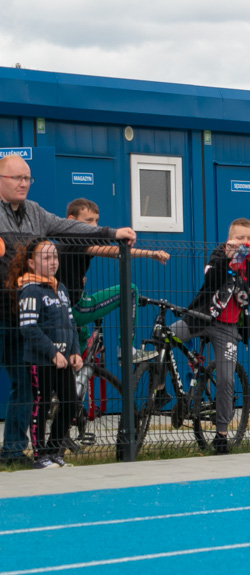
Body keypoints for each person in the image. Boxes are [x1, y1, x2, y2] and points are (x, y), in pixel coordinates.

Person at [0, 154, 136, 467]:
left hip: (22, 317)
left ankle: (14, 450)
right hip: (1, 313)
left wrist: (111, 232)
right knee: (25, 386)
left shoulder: (34, 212)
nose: (24, 184)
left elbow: (69, 226)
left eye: (27, 178)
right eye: (17, 178)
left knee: (25, 385)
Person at [167, 218, 250, 454]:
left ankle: (221, 435)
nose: (245, 243)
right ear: (229, 239)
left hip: (228, 328)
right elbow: (211, 280)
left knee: (226, 379)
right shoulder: (218, 254)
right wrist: (228, 258)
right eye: (240, 238)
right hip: (199, 318)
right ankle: (164, 390)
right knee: (164, 336)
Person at [57, 198, 170, 357]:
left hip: (61, 309)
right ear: (71, 220)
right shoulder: (78, 241)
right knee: (130, 290)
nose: (94, 226)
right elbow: (114, 252)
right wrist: (150, 254)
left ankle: (76, 372)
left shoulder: (61, 242)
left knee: (82, 333)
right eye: (88, 221)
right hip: (76, 309)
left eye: (96, 221)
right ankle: (127, 350)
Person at [7, 238, 81, 468]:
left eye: (55, 257)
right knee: (42, 405)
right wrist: (51, 352)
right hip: (41, 360)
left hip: (63, 361)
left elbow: (71, 324)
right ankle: (40, 456)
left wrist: (74, 352)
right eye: (46, 258)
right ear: (31, 263)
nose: (53, 262)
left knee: (69, 403)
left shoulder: (61, 289)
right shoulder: (30, 290)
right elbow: (28, 328)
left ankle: (54, 450)